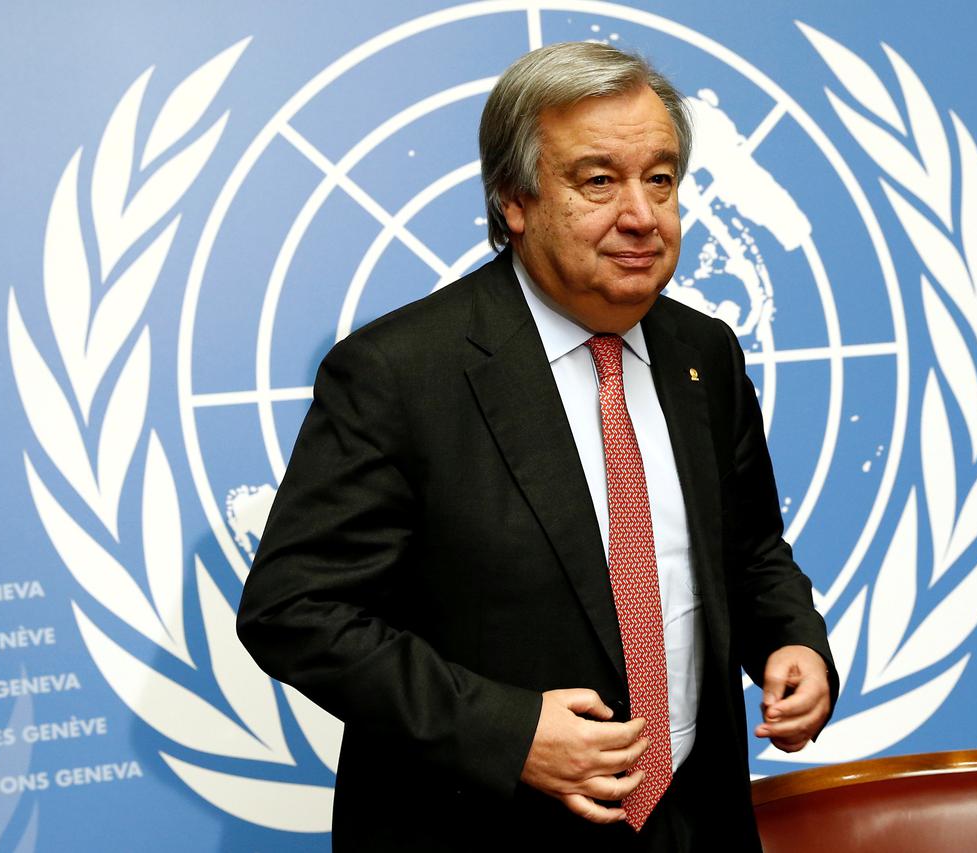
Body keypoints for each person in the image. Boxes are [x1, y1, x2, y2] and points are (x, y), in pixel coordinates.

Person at [237, 41, 837, 852]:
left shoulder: (707, 354)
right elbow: (293, 610)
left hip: (697, 819)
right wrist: (510, 731)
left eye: (659, 180)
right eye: (598, 180)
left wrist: (792, 636)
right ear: (513, 200)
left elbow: (750, 548)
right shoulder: (399, 373)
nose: (641, 214)